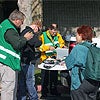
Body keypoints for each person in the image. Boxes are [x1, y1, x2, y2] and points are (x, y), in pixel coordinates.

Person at [0, 9, 33, 100]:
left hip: (5, 61)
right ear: (16, 20)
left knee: (8, 88)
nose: (22, 24)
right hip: (8, 62)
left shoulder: (4, 25)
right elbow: (17, 44)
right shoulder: (10, 29)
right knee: (8, 89)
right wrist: (25, 38)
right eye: (22, 21)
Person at [65, 25, 99, 100]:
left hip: (80, 82)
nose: (76, 37)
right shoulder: (94, 47)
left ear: (81, 35)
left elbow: (68, 64)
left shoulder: (78, 48)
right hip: (94, 82)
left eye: (76, 34)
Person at [17, 20, 42, 100]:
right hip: (28, 60)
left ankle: (22, 97)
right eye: (38, 29)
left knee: (22, 81)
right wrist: (40, 41)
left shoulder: (24, 31)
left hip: (22, 59)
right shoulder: (29, 32)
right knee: (30, 80)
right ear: (36, 26)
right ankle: (33, 97)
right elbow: (35, 43)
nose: (37, 32)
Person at [39, 24, 66, 98]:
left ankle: (53, 90)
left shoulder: (58, 35)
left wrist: (63, 46)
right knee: (45, 77)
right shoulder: (43, 35)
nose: (55, 32)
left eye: (56, 30)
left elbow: (61, 43)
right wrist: (48, 47)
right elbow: (39, 47)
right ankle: (44, 93)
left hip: (55, 58)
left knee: (54, 76)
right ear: (49, 29)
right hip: (45, 59)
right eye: (53, 30)